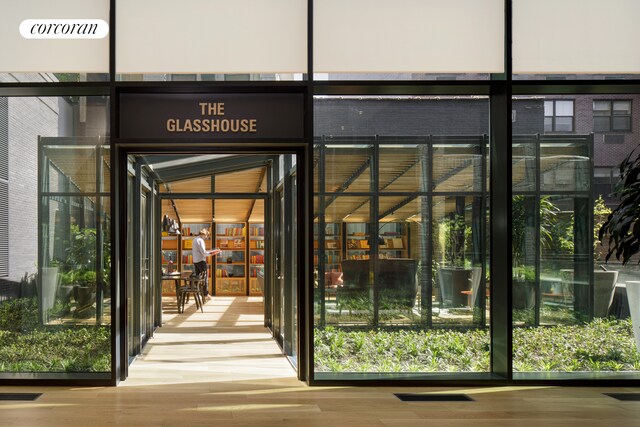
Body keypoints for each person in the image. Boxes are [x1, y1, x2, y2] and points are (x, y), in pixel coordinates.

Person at [192, 228, 221, 296]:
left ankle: (198, 292)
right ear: (203, 234)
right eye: (206, 235)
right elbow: (204, 253)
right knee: (204, 277)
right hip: (201, 261)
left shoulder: (195, 239)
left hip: (195, 261)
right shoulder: (200, 240)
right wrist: (214, 252)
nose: (206, 237)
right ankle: (206, 293)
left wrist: (212, 251)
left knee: (198, 277)